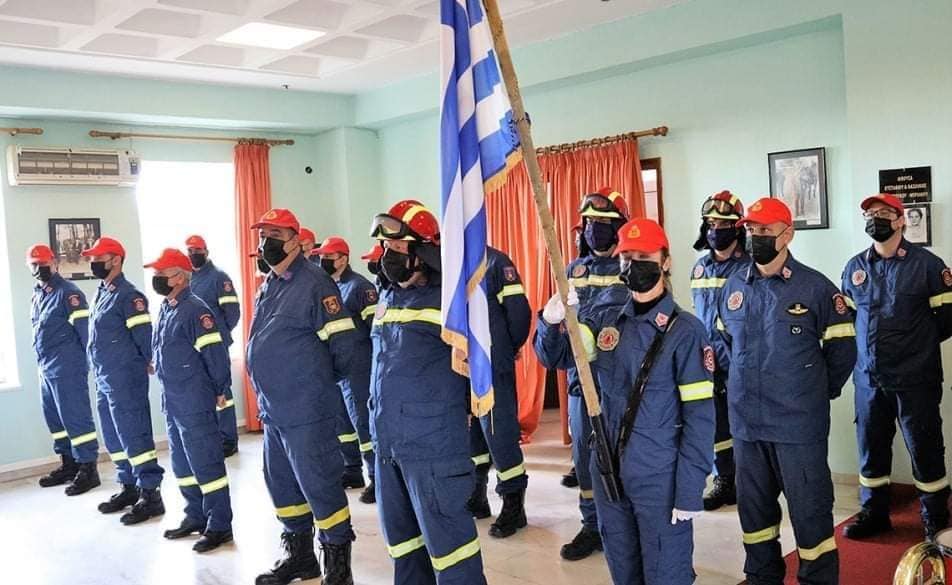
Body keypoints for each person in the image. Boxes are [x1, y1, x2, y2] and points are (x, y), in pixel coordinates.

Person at [536, 218, 715, 584]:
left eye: (644, 257)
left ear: (665, 261)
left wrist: (689, 490)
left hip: (659, 478)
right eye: (627, 257)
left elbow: (700, 419)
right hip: (609, 471)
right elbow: (558, 358)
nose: (634, 265)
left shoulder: (686, 332)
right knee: (623, 570)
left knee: (666, 574)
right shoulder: (605, 320)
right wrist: (552, 322)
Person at [717, 198, 856, 584]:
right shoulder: (733, 287)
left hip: (797, 427)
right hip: (747, 427)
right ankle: (762, 578)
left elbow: (843, 351)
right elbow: (725, 346)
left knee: (811, 516)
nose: (755, 236)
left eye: (765, 230)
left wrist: (814, 392)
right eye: (751, 230)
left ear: (788, 234)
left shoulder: (815, 288)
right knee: (755, 519)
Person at [369, 200, 488, 585]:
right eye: (385, 248)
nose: (388, 256)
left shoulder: (453, 302)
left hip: (434, 448)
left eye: (397, 248)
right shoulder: (388, 295)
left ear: (423, 252)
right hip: (388, 445)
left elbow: (482, 366)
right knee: (403, 545)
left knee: (451, 551)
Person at [246, 209, 357, 585]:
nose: (267, 243)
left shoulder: (315, 283)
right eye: (263, 235)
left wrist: (316, 383)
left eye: (275, 235)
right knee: (282, 485)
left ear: (295, 241)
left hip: (307, 408)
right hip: (273, 410)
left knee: (320, 485)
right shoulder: (271, 282)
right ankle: (301, 557)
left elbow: (344, 345)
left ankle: (338, 567)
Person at [840, 194, 952, 541]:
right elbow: (848, 321)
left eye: (884, 213)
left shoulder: (928, 265)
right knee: (871, 450)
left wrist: (914, 347)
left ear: (901, 220)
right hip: (868, 380)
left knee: (925, 449)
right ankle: (874, 513)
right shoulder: (855, 267)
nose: (876, 219)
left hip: (915, 379)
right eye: (870, 214)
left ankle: (935, 519)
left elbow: (947, 319)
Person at [559, 188, 631, 561]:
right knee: (585, 459)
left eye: (603, 222)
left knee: (622, 456)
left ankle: (622, 524)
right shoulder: (574, 270)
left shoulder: (632, 265)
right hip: (579, 382)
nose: (594, 228)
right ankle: (591, 525)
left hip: (621, 384)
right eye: (589, 222)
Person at [146, 248, 234, 553]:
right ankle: (195, 515)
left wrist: (220, 388)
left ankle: (219, 524)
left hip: (194, 400)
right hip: (172, 399)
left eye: (162, 274)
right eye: (156, 274)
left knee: (206, 463)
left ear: (180, 277)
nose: (157, 279)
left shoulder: (197, 311)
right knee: (182, 464)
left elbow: (215, 354)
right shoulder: (168, 307)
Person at [83, 237, 166, 525]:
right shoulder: (102, 292)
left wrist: (150, 361)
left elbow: (144, 336)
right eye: (92, 258)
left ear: (116, 260)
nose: (93, 263)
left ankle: (151, 495)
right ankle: (129, 486)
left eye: (99, 258)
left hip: (125, 377)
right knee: (113, 435)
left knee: (134, 434)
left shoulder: (129, 296)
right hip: (104, 376)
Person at [689, 190, 749, 511]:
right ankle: (723, 480)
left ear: (737, 228)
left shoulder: (750, 267)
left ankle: (747, 482)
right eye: (711, 223)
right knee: (716, 425)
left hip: (741, 360)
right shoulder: (700, 268)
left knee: (744, 423)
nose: (715, 230)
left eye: (723, 224)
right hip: (707, 361)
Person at [466, 246, 532, 538]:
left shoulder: (496, 262)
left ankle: (513, 504)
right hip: (462, 363)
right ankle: (477, 495)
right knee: (473, 435)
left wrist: (507, 347)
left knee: (499, 434)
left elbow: (519, 313)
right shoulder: (451, 262)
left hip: (492, 362)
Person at [27, 244, 101, 496]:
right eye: (35, 264)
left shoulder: (69, 293)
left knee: (76, 418)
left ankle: (88, 469)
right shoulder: (38, 294)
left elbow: (86, 333)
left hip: (67, 367)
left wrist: (89, 364)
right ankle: (69, 464)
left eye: (44, 263)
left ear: (55, 263)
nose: (40, 268)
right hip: (45, 367)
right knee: (56, 421)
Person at [315, 236, 379, 505]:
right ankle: (352, 469)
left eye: (329, 257)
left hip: (359, 367)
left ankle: (376, 477)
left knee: (363, 423)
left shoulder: (360, 287)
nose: (323, 261)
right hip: (338, 368)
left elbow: (376, 330)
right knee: (343, 423)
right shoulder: (329, 287)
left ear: (343, 259)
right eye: (322, 256)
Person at [185, 235, 241, 457]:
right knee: (203, 392)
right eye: (190, 251)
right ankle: (212, 438)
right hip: (194, 348)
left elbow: (232, 313)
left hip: (215, 345)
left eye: (197, 251)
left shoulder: (219, 278)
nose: (193, 255)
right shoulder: (187, 278)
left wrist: (220, 336)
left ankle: (229, 439)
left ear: (206, 252)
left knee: (222, 390)